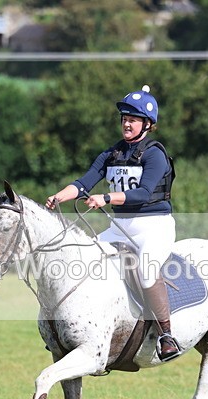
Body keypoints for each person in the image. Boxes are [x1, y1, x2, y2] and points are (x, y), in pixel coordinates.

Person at [46, 85, 180, 361]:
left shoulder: (155, 153)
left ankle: (167, 335)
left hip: (153, 226)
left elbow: (143, 193)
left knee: (145, 270)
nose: (126, 123)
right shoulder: (111, 154)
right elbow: (83, 184)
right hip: (119, 227)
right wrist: (59, 196)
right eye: (124, 118)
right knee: (86, 261)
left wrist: (106, 197)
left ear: (147, 124)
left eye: (133, 119)